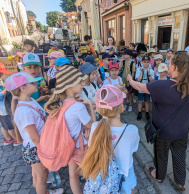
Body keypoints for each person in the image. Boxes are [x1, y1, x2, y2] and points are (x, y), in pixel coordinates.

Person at [127, 52, 189, 191]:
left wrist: (130, 79)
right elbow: (178, 85)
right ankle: (181, 182)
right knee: (180, 156)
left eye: (170, 63)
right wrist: (171, 76)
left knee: (161, 155)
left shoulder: (162, 86)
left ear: (174, 67)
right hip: (182, 130)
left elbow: (139, 87)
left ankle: (159, 176)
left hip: (164, 132)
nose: (168, 65)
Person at [6, 72, 63, 194]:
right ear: (23, 87)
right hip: (36, 148)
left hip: (36, 146)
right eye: (33, 82)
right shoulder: (24, 111)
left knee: (38, 175)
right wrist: (46, 151)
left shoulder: (30, 100)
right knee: (42, 177)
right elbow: (34, 137)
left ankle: (43, 191)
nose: (36, 83)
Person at [44, 65, 96, 194]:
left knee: (73, 175)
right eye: (80, 81)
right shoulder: (77, 106)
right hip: (80, 147)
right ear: (70, 84)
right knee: (92, 174)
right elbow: (93, 126)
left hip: (68, 146)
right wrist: (89, 104)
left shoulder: (60, 103)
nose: (83, 83)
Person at [82, 85, 139, 193]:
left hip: (102, 172)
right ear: (121, 108)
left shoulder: (95, 127)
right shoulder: (132, 130)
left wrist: (90, 105)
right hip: (124, 176)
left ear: (99, 109)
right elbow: (133, 148)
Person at [0, 63, 20, 146]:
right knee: (10, 126)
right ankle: (17, 140)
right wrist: (7, 88)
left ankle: (8, 139)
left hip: (2, 110)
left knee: (4, 125)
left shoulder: (1, 80)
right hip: (4, 109)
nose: (2, 74)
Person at [135, 56, 154, 120]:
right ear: (142, 62)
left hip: (147, 87)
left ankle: (147, 112)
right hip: (140, 87)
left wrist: (148, 73)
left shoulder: (151, 70)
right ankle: (139, 112)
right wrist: (141, 72)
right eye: (144, 62)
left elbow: (152, 80)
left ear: (149, 63)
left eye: (147, 62)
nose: (146, 64)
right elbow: (138, 79)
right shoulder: (138, 69)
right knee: (140, 101)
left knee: (147, 101)